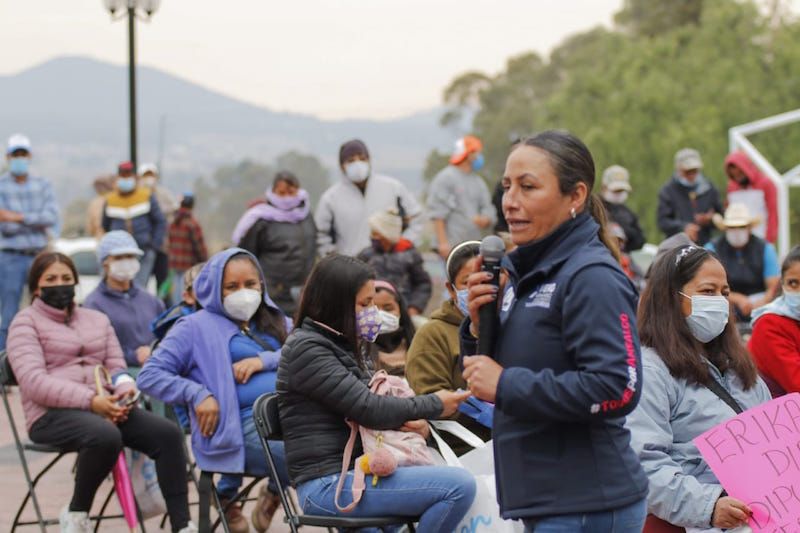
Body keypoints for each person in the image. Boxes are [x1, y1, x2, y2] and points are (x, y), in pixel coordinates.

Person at [462, 131, 648, 530]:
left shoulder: (590, 277)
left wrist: (507, 384)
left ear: (575, 196)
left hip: (586, 504)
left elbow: (618, 389)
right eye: (507, 186)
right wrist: (480, 329)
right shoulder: (520, 273)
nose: (510, 202)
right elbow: (498, 376)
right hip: (544, 499)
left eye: (528, 187)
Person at [277, 254, 476, 530]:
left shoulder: (346, 345)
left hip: (362, 471)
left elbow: (377, 405)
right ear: (336, 304)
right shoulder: (308, 349)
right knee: (459, 487)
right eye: (365, 303)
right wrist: (435, 404)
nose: (372, 311)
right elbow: (370, 409)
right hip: (327, 483)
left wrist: (415, 422)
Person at [6, 251, 195, 533]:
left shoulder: (96, 319)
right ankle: (76, 512)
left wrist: (124, 390)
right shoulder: (25, 323)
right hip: (51, 415)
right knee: (105, 435)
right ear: (36, 287)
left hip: (106, 406)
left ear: (76, 282)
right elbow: (34, 382)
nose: (60, 284)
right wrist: (91, 401)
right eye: (52, 279)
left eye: (66, 278)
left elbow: (117, 367)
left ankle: (182, 525)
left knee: (167, 433)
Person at [138, 248, 292, 533]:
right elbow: (149, 376)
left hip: (293, 418)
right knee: (316, 458)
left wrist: (264, 360)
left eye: (250, 284)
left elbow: (304, 352)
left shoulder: (275, 320)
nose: (243, 293)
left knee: (337, 450)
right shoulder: (194, 327)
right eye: (231, 287)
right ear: (213, 290)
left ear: (261, 285)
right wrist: (197, 393)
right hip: (237, 428)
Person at [626, 245, 770, 530]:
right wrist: (709, 505)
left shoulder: (739, 366)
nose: (719, 301)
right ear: (671, 298)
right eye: (707, 291)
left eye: (725, 293)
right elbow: (642, 463)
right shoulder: (651, 371)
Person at [406, 240, 492, 455]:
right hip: (464, 449)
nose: (477, 289)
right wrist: (473, 407)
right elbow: (428, 397)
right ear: (451, 290)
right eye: (467, 282)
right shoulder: (433, 334)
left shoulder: (517, 325)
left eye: (486, 280)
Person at [0, 134, 59, 350]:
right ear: (8, 157)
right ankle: (3, 366)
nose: (19, 158)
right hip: (10, 257)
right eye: (15, 154)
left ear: (29, 155)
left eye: (22, 154)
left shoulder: (43, 184)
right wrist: (34, 219)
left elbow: (50, 217)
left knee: (46, 310)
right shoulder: (1, 185)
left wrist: (18, 217)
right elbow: (5, 227)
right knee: (8, 314)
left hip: (38, 256)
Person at [315, 139, 423, 257]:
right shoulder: (330, 198)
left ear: (369, 160)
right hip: (351, 268)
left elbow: (415, 217)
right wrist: (335, 261)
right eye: (351, 160)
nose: (357, 164)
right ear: (342, 166)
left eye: (362, 158)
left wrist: (405, 242)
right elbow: (321, 235)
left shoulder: (393, 188)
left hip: (390, 266)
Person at [235, 171, 317, 315]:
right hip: (273, 292)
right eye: (281, 193)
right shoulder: (261, 220)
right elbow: (247, 256)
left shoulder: (306, 215)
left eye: (291, 192)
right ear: (273, 192)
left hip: (303, 290)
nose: (287, 198)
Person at [84, 231, 165, 367]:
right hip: (120, 374)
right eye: (119, 257)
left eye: (130, 256)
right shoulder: (94, 304)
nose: (126, 262)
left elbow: (167, 335)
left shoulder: (151, 300)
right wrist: (133, 356)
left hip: (157, 368)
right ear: (104, 263)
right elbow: (96, 349)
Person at [705, 203, 779, 322]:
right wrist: (737, 299)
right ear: (725, 228)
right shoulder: (712, 248)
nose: (737, 231)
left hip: (760, 307)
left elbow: (773, 286)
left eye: (742, 227)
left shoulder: (765, 248)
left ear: (749, 228)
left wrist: (762, 302)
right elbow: (708, 286)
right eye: (732, 227)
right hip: (723, 306)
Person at [427, 135, 496, 259]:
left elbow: (488, 207)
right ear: (468, 154)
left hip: (473, 247)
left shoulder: (478, 181)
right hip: (452, 247)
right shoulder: (446, 178)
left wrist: (486, 219)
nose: (479, 157)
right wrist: (443, 244)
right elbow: (438, 213)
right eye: (477, 153)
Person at [102, 161, 167, 288]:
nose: (126, 178)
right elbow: (105, 225)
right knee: (119, 286)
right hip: (118, 254)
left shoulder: (146, 195)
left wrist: (154, 244)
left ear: (134, 177)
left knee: (139, 287)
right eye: (123, 175)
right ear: (118, 177)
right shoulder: (110, 199)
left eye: (128, 175)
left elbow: (160, 221)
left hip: (144, 251)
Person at [357, 209, 432, 316]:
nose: (372, 237)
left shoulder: (410, 255)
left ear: (386, 234)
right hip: (371, 311)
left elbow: (423, 284)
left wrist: (414, 307)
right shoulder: (366, 255)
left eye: (376, 233)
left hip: (403, 312)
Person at [749, 245, 800, 397]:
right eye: (793, 283)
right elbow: (796, 384)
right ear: (782, 284)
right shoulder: (770, 324)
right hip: (780, 416)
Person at [657, 148, 723, 246]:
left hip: (705, 244)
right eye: (687, 171)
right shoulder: (668, 191)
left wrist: (710, 219)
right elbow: (663, 222)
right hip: (677, 246)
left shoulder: (709, 188)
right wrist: (683, 227)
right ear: (678, 170)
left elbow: (722, 216)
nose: (691, 175)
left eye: (694, 170)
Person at [140, 163, 180, 302]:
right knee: (141, 283)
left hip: (161, 248)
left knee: (162, 282)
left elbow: (173, 213)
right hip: (143, 248)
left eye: (151, 175)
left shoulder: (164, 195)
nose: (149, 179)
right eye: (146, 176)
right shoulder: (138, 195)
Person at [725, 151, 778, 243]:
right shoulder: (731, 187)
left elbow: (772, 213)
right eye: (734, 176)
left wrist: (769, 239)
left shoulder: (765, 183)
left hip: (760, 237)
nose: (738, 178)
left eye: (740, 174)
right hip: (738, 240)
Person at [367, 280, 417, 375]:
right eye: (373, 309)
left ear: (400, 310)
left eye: (388, 309)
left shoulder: (417, 341)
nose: (380, 315)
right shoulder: (360, 350)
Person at [168, 193, 209, 304]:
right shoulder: (192, 223)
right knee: (186, 289)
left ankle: (176, 310)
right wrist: (205, 262)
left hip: (175, 263)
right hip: (189, 264)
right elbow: (199, 246)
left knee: (177, 289)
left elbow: (169, 242)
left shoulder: (173, 222)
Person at [600, 165, 645, 252]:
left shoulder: (627, 213)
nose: (619, 194)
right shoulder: (593, 208)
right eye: (616, 191)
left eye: (621, 191)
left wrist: (627, 232)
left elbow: (640, 241)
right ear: (604, 188)